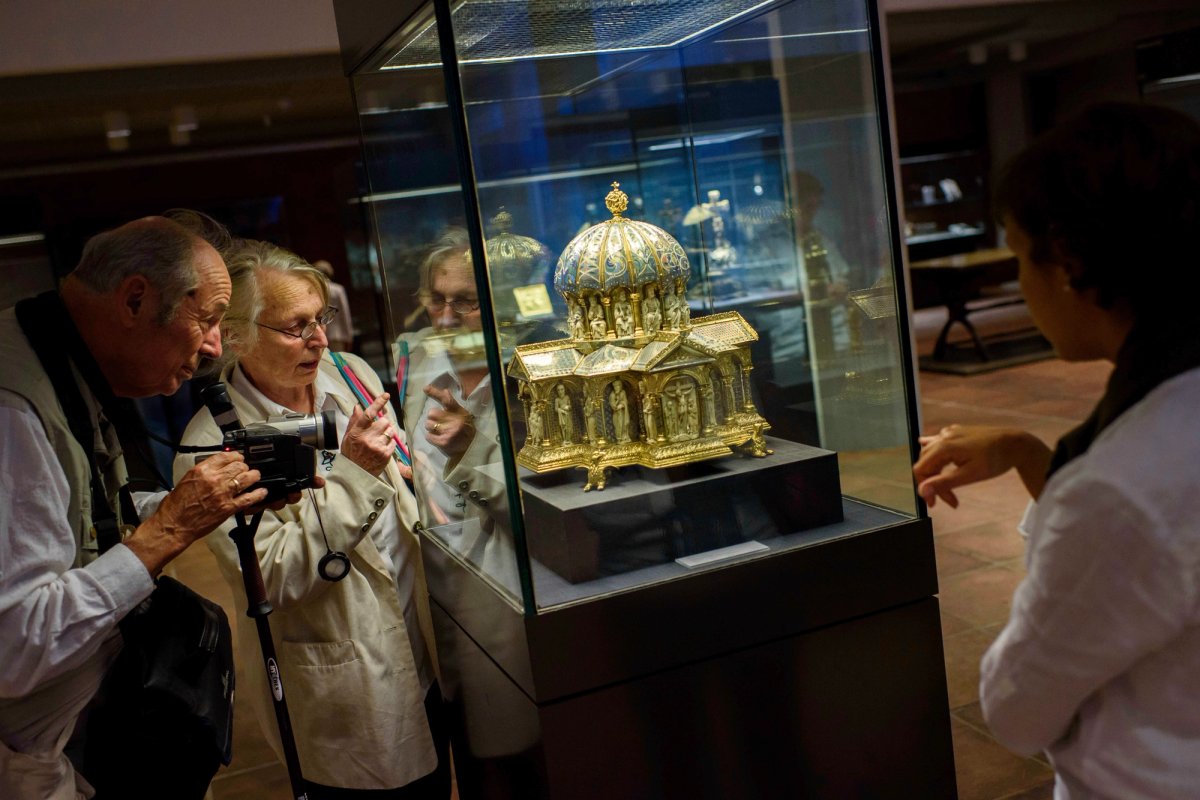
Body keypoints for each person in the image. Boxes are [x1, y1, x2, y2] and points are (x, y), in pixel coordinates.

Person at [912, 102, 1200, 798]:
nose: (1021, 285)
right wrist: (1025, 451)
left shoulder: (1120, 481)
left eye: (1018, 257)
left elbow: (1015, 707)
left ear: (1067, 261)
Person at [0, 215, 275, 799]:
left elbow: (82, 519)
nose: (214, 347)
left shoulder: (57, 360)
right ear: (133, 299)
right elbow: (17, 647)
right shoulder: (12, 411)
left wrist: (203, 505)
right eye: (207, 319)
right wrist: (172, 526)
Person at [174, 240, 449, 798]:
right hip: (345, 678)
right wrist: (355, 472)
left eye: (320, 318)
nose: (320, 339)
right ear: (239, 333)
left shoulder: (349, 374)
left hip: (424, 646)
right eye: (295, 327)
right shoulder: (212, 444)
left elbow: (403, 484)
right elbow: (274, 577)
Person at [396, 230, 516, 595]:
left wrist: (471, 451)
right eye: (436, 300)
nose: (446, 320)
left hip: (507, 581)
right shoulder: (415, 362)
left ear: (502, 305)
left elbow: (544, 515)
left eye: (466, 302)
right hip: (435, 575)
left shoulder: (525, 384)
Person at [313, 259, 354, 353]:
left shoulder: (314, 290)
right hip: (337, 334)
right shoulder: (338, 289)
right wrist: (349, 336)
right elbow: (345, 314)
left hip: (320, 332)